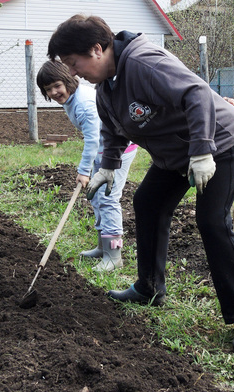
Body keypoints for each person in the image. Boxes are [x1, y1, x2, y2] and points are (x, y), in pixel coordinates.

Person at [47, 14, 234, 354]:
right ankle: (149, 288)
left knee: (212, 221)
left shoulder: (144, 63)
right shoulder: (107, 85)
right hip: (176, 154)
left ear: (96, 49)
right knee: (148, 203)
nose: (73, 73)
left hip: (217, 142)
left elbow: (197, 94)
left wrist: (203, 152)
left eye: (74, 64)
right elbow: (112, 128)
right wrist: (108, 166)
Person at [36, 59, 138, 271]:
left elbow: (92, 139)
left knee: (109, 199)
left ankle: (114, 254)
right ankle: (103, 246)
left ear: (68, 80)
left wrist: (84, 171)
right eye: (48, 89)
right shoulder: (72, 99)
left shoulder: (82, 103)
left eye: (57, 85)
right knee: (97, 198)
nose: (54, 92)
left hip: (119, 150)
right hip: (103, 150)